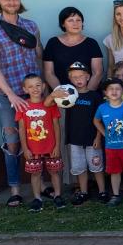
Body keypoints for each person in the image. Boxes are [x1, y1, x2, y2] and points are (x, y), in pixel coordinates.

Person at [0, 0, 43, 207]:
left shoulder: (31, 26)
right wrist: (11, 96)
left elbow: (39, 55)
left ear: (20, 0)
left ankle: (42, 185)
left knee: (38, 138)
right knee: (12, 142)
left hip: (34, 93)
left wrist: (44, 87)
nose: (11, 2)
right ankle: (15, 189)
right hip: (8, 95)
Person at [52, 61, 107, 206]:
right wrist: (53, 95)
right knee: (79, 167)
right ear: (70, 79)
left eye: (81, 76)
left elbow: (100, 119)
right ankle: (83, 192)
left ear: (88, 77)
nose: (78, 79)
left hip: (92, 139)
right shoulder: (68, 96)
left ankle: (102, 191)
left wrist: (98, 137)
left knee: (97, 166)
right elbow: (48, 104)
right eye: (74, 77)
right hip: (75, 139)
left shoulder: (95, 96)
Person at [15, 73, 64, 212]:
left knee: (54, 172)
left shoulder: (50, 104)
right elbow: (22, 129)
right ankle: (37, 198)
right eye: (30, 86)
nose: (35, 89)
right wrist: (25, 148)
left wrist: (57, 146)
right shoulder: (22, 107)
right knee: (35, 174)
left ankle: (58, 196)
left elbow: (56, 126)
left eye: (38, 85)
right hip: (33, 149)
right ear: (25, 89)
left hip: (50, 147)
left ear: (43, 86)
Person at [93, 78, 123, 205]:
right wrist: (104, 133)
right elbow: (96, 120)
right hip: (111, 147)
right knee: (114, 172)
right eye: (111, 89)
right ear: (105, 92)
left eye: (117, 89)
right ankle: (115, 195)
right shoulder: (102, 108)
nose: (114, 91)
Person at [42, 6, 103, 91]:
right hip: (60, 94)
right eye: (70, 20)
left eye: (78, 20)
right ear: (63, 24)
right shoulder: (52, 43)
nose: (75, 24)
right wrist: (61, 93)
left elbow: (97, 73)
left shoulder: (92, 43)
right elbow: (49, 73)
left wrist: (86, 94)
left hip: (88, 94)